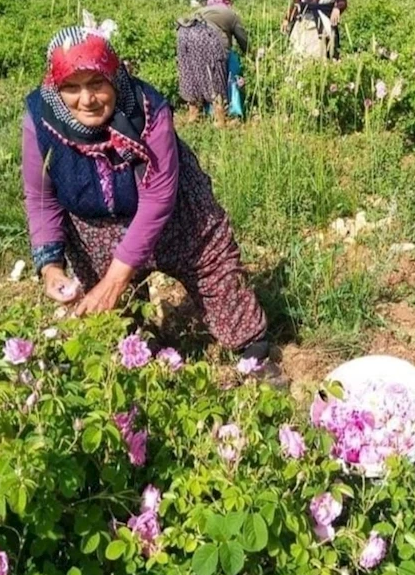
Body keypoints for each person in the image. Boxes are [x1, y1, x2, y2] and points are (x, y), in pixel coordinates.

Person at [21, 19, 283, 382]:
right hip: (97, 221)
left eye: (97, 82)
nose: (87, 99)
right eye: (72, 87)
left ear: (115, 76)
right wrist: (50, 265)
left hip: (177, 211)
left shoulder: (148, 110)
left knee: (213, 266)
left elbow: (159, 197)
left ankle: (253, 358)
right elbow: (41, 197)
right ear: (56, 88)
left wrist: (115, 279)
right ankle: (145, 361)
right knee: (116, 313)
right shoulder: (41, 119)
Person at [177, 0, 248, 127]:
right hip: (206, 35)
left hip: (184, 34)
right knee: (215, 75)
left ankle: (194, 115)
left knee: (191, 74)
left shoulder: (202, 11)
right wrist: (251, 54)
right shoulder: (231, 14)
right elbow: (243, 40)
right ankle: (220, 119)